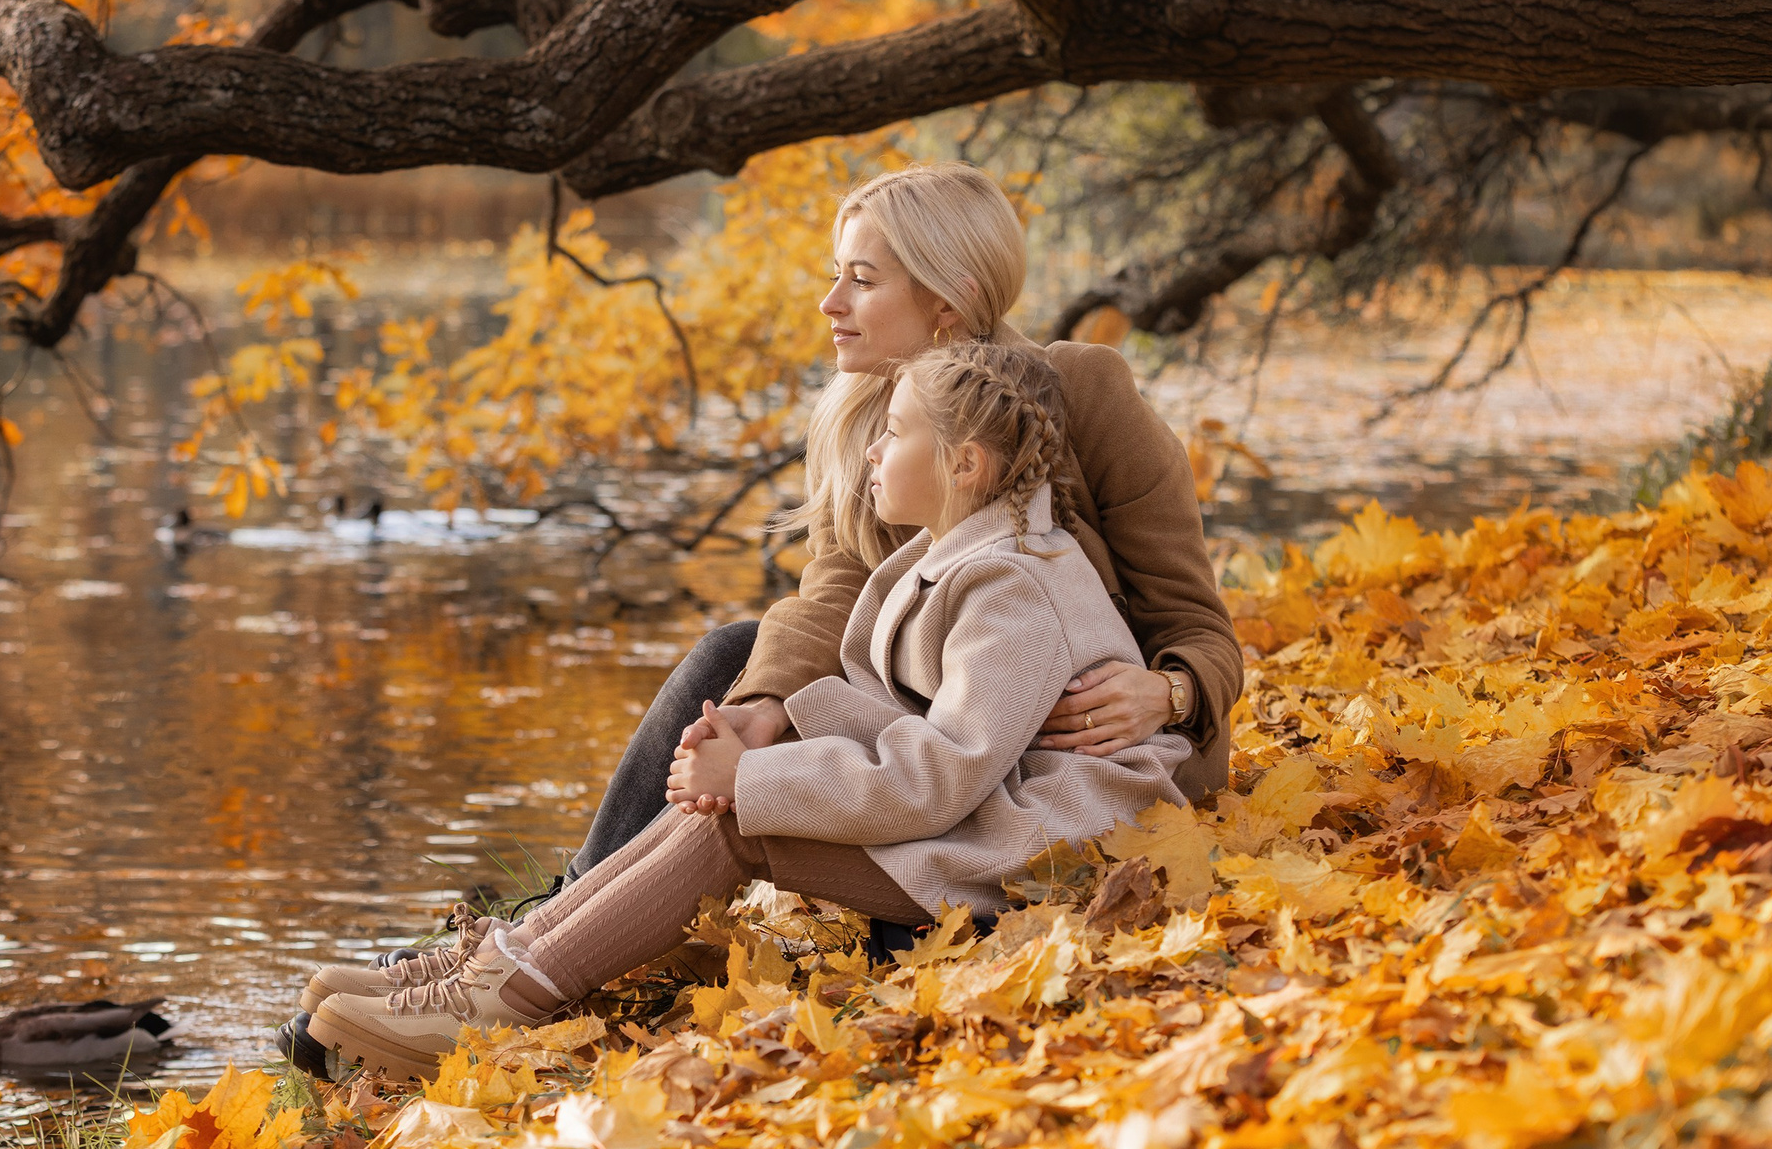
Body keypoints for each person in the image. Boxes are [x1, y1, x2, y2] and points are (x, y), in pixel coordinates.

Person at [304, 342, 1192, 1078]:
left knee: (737, 819)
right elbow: (920, 727)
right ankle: (498, 960)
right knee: (734, 788)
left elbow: (941, 775)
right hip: (1005, 804)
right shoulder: (966, 550)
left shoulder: (1012, 587)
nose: (874, 454)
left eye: (893, 435)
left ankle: (504, 1004)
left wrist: (757, 776)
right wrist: (764, 729)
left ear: (964, 465)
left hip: (1053, 845)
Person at [564, 161, 1239, 881]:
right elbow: (832, 593)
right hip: (944, 731)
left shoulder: (1083, 391)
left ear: (947, 300)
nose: (829, 302)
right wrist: (761, 707)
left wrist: (1169, 693)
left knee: (747, 695)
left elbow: (1200, 627)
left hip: (1086, 775)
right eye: (836, 274)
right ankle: (563, 910)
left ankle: (556, 937)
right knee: (733, 657)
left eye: (861, 278)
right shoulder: (865, 427)